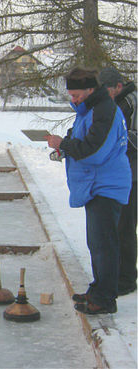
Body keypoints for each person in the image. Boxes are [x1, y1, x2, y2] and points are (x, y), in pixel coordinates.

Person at [45, 67, 131, 314]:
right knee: (97, 243)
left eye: (76, 95)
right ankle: (98, 289)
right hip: (97, 185)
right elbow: (81, 141)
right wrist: (65, 148)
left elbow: (94, 151)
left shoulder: (104, 110)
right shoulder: (90, 110)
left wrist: (65, 144)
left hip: (107, 185)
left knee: (104, 243)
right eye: (71, 95)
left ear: (91, 89)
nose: (73, 100)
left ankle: (105, 299)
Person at [98, 67, 137, 296]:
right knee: (113, 226)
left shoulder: (132, 102)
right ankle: (114, 274)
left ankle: (126, 279)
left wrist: (115, 136)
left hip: (132, 173)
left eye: (107, 91)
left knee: (125, 227)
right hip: (115, 173)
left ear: (118, 87)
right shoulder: (113, 103)